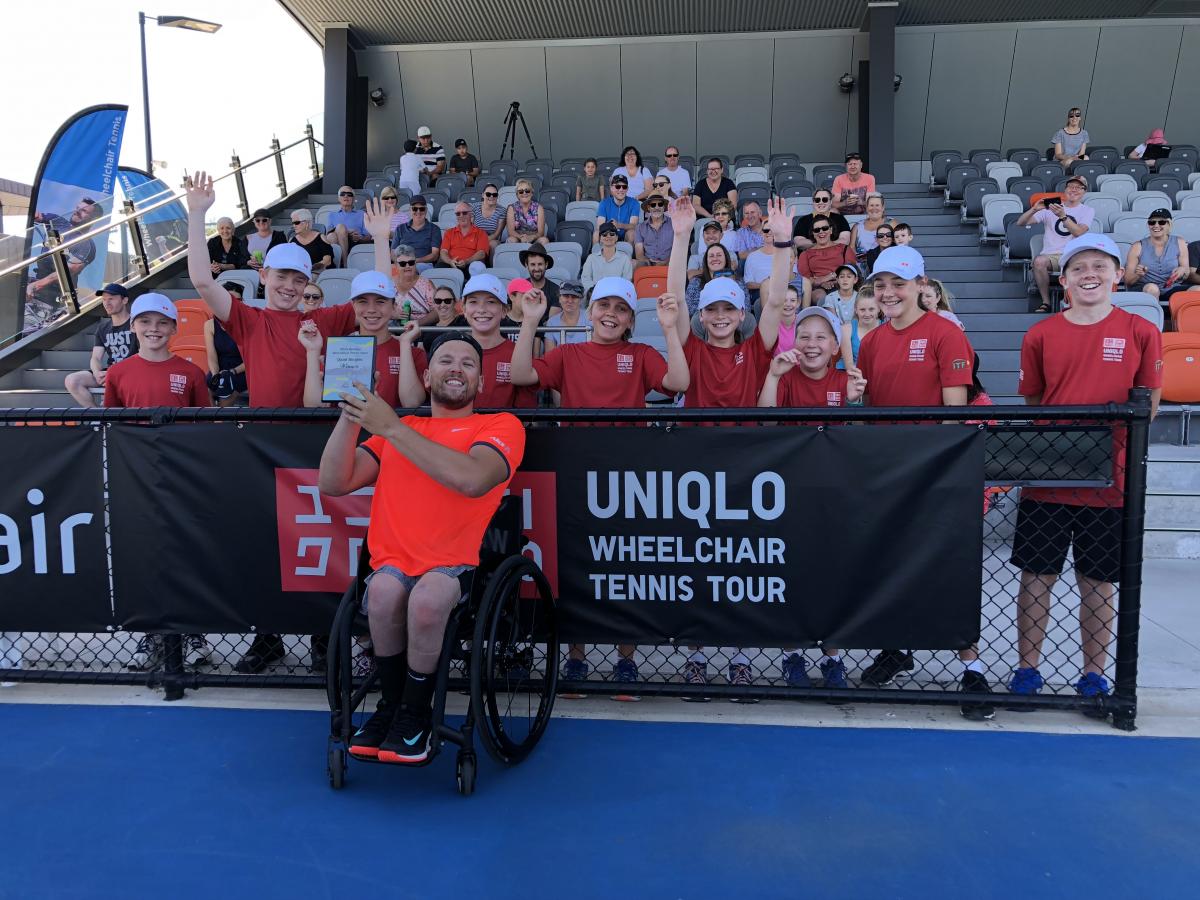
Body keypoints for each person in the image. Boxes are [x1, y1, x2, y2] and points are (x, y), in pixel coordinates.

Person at [320, 329, 525, 764]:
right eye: (446, 361)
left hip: (456, 565)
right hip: (393, 562)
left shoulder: (500, 425)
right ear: (427, 376)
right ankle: (391, 706)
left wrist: (390, 426)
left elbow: (472, 479)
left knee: (429, 598)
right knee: (382, 592)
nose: (457, 369)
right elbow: (333, 483)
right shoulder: (403, 429)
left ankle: (415, 713)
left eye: (468, 364)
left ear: (481, 383)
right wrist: (352, 415)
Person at [186, 169, 359, 676]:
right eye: (280, 276)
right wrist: (198, 214)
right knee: (269, 543)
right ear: (264, 277)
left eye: (297, 279)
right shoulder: (249, 319)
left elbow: (377, 303)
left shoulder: (323, 321)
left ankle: (325, 636)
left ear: (310, 284)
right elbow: (200, 279)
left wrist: (386, 241)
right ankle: (268, 637)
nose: (288, 286)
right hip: (265, 442)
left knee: (322, 540)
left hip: (318, 443)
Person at [510, 278, 689, 693]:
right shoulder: (568, 353)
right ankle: (576, 658)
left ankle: (626, 660)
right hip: (575, 472)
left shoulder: (640, 353)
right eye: (603, 305)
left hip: (627, 475)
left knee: (623, 569)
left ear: (630, 319)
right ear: (589, 312)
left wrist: (666, 329)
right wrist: (531, 322)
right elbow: (521, 374)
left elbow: (678, 383)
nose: (611, 313)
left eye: (621, 308)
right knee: (578, 568)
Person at [1010, 233, 1162, 715]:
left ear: (1118, 275)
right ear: (1065, 280)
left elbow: (1150, 405)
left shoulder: (1141, 330)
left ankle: (1094, 676)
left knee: (1097, 582)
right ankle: (1026, 671)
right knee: (1036, 577)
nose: (1089, 274)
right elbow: (1035, 403)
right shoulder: (1040, 334)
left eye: (1100, 265)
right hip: (1048, 476)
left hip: (1111, 480)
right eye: (1078, 268)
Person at [852, 245, 991, 720]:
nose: (889, 293)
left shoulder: (944, 333)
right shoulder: (870, 341)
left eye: (899, 284)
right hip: (888, 475)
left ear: (919, 286)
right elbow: (869, 416)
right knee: (888, 566)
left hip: (932, 475)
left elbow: (953, 416)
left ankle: (972, 669)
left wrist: (927, 471)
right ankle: (895, 649)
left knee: (945, 573)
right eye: (882, 285)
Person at [667, 195, 790, 692]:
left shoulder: (755, 350)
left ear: (741, 315)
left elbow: (778, 301)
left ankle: (739, 654)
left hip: (746, 470)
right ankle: (696, 654)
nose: (720, 316)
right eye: (713, 308)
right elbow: (675, 298)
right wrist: (679, 238)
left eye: (729, 309)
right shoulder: (693, 347)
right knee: (699, 566)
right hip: (698, 471)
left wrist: (782, 247)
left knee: (742, 566)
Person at [757, 305, 865, 689]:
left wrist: (854, 403)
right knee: (792, 578)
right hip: (791, 497)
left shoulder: (844, 382)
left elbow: (859, 440)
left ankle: (832, 657)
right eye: (804, 336)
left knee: (832, 579)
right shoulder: (785, 379)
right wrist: (771, 375)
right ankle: (792, 654)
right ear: (794, 342)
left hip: (834, 498)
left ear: (836, 345)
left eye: (821, 337)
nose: (812, 343)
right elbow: (765, 421)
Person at [107, 292, 213, 671]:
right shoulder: (119, 373)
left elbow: (205, 429)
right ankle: (152, 633)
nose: (153, 329)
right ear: (133, 326)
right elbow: (113, 426)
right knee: (145, 556)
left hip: (181, 480)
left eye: (161, 322)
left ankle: (193, 633)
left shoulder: (190, 373)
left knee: (185, 554)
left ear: (173, 327)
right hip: (137, 480)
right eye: (145, 322)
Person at [401, 273, 537, 409]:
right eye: (473, 302)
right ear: (464, 310)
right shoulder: (446, 350)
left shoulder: (517, 354)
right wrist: (405, 343)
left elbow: (525, 415)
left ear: (504, 311)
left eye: (491, 302)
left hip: (499, 430)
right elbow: (412, 402)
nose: (482, 309)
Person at [300, 270, 421, 409]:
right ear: (353, 306)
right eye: (363, 302)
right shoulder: (338, 352)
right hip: (346, 430)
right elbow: (313, 406)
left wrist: (404, 344)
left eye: (380, 301)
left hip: (389, 430)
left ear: (394, 306)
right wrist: (312, 351)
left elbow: (411, 403)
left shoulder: (412, 354)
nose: (371, 309)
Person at [1014, 175, 1094, 313]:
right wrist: (1034, 209)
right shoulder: (1050, 209)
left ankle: (1070, 302)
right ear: (1065, 189)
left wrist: (1063, 216)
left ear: (1084, 192)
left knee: (1074, 264)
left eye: (1078, 187)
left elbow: (1079, 232)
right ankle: (1046, 302)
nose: (1074, 190)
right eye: (1071, 186)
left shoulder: (1087, 210)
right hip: (1052, 256)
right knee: (1039, 261)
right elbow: (1021, 223)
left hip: (1073, 255)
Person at [64, 283, 137, 407]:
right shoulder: (103, 328)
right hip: (109, 373)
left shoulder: (137, 324)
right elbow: (96, 358)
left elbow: (144, 356)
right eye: (104, 299)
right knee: (72, 380)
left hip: (133, 373)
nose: (106, 303)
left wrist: (114, 373)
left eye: (111, 299)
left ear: (125, 300)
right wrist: (97, 373)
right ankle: (97, 416)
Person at [1124, 209, 1191, 304]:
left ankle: (1186, 318)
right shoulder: (1137, 246)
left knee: (1197, 290)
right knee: (1152, 288)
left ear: (1169, 224)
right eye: (1152, 222)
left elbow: (1186, 272)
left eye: (1161, 222)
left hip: (1171, 287)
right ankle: (1153, 318)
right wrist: (1138, 274)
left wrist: (1182, 270)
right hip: (1145, 287)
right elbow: (1128, 281)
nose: (1156, 225)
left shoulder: (1179, 242)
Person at [204, 281, 249, 407]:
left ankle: (220, 422)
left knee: (227, 390)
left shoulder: (248, 324)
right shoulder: (209, 325)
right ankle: (212, 418)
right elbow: (211, 356)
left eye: (238, 300)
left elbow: (252, 358)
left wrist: (232, 372)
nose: (233, 304)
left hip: (243, 369)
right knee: (205, 388)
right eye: (229, 299)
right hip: (220, 368)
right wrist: (215, 374)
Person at [797, 215, 858, 305]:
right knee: (820, 297)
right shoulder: (805, 254)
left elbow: (851, 272)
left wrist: (835, 281)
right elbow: (805, 280)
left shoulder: (844, 249)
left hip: (843, 284)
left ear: (831, 230)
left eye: (825, 228)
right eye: (817, 230)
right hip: (818, 288)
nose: (821, 232)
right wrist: (823, 281)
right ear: (813, 233)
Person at [685, 242, 743, 316]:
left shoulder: (738, 281)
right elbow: (690, 310)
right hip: (704, 321)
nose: (715, 258)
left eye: (719, 255)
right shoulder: (696, 281)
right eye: (711, 256)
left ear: (726, 258)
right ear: (706, 261)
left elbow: (745, 307)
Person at [391, 243, 437, 326]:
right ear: (396, 265)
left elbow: (437, 311)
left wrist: (417, 323)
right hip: (394, 327)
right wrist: (392, 315)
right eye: (403, 264)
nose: (408, 266)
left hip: (421, 328)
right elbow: (379, 309)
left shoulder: (426, 284)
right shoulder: (389, 284)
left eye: (411, 262)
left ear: (415, 263)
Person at [392, 195, 441, 272]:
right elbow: (393, 253)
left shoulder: (434, 229)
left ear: (426, 210)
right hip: (401, 265)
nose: (418, 212)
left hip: (423, 265)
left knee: (412, 270)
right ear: (410, 210)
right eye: (415, 208)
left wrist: (414, 261)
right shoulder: (400, 228)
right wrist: (402, 263)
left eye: (421, 209)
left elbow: (434, 255)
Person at [327, 186, 372, 269]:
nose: (346, 196)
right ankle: (344, 263)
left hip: (355, 242)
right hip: (336, 241)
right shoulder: (332, 215)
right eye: (343, 194)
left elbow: (369, 236)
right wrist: (346, 231)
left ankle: (341, 265)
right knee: (335, 233)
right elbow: (328, 235)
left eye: (349, 194)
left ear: (354, 198)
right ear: (338, 198)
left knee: (340, 227)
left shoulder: (362, 214)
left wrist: (359, 238)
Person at [439, 202, 490, 274]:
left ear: (471, 214)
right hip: (451, 264)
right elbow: (443, 252)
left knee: (477, 267)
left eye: (464, 213)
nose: (461, 216)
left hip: (470, 264)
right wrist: (450, 261)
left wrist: (466, 261)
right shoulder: (449, 232)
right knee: (439, 267)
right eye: (458, 214)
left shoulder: (481, 233)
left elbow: (481, 253)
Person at [839, 287, 882, 370]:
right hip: (852, 374)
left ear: (879, 309)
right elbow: (850, 367)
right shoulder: (846, 329)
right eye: (862, 310)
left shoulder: (887, 328)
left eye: (871, 309)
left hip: (877, 373)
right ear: (856, 310)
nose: (867, 314)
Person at [581, 222, 633, 290]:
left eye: (612, 234)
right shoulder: (591, 258)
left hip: (616, 295)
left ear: (616, 238)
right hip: (596, 294)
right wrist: (596, 290)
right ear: (600, 239)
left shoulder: (625, 258)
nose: (608, 236)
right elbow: (585, 279)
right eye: (604, 235)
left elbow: (627, 281)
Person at [595, 173, 640, 245]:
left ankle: (628, 256)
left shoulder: (634, 203)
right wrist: (611, 229)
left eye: (624, 187)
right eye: (618, 186)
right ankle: (598, 255)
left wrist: (619, 225)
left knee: (632, 233)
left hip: (625, 235)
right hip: (609, 234)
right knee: (596, 234)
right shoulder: (604, 203)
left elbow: (634, 225)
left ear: (627, 189)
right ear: (611, 188)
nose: (621, 189)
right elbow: (600, 226)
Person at [848, 194, 896, 258]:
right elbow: (851, 248)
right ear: (867, 208)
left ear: (883, 208)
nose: (874, 208)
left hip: (886, 261)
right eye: (871, 205)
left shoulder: (892, 223)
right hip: (862, 263)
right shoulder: (857, 226)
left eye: (877, 205)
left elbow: (900, 243)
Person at [545, 280, 588, 349]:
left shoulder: (591, 318)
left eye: (574, 296)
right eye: (566, 296)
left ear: (581, 300)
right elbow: (550, 356)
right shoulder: (552, 322)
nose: (570, 301)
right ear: (559, 298)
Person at [633, 194, 672, 267]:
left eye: (660, 204)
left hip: (670, 263)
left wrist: (666, 262)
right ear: (648, 208)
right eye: (653, 205)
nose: (657, 207)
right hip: (648, 264)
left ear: (663, 207)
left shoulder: (674, 224)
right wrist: (648, 263)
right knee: (633, 263)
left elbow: (678, 250)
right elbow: (639, 254)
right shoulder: (640, 227)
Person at [289, 209, 333, 273]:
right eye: (293, 223)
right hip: (300, 273)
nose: (294, 226)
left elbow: (327, 261)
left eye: (297, 223)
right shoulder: (292, 241)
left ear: (307, 223)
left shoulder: (321, 238)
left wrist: (309, 269)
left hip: (319, 272)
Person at [423, 285, 461, 354]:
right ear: (434, 304)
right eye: (438, 301)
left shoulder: (462, 322)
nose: (443, 305)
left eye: (447, 301)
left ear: (455, 302)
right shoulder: (428, 328)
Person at [506, 178, 545, 244]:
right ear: (517, 195)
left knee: (544, 240)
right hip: (517, 237)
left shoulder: (539, 208)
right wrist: (521, 237)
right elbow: (511, 231)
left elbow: (541, 232)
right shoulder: (511, 208)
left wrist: (532, 237)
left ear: (532, 193)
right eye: (521, 191)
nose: (524, 193)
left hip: (534, 238)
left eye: (527, 191)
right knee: (511, 240)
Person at [520, 243, 560, 309]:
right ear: (527, 265)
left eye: (540, 264)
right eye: (533, 264)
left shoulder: (555, 290)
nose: (536, 268)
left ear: (546, 265)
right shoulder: (520, 288)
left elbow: (552, 318)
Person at [472, 183, 506, 253]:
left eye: (494, 195)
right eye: (488, 194)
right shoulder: (474, 207)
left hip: (492, 239)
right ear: (483, 195)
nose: (491, 196)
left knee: (493, 244)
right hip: (475, 238)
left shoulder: (502, 210)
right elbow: (470, 228)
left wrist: (483, 241)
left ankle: (492, 264)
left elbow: (497, 234)